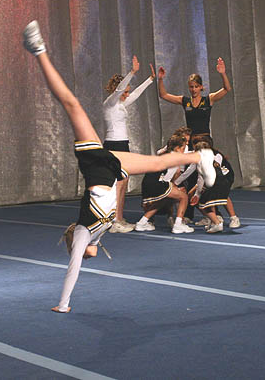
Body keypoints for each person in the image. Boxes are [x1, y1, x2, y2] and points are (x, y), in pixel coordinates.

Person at [22, 20, 216, 313]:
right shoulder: (96, 234)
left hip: (96, 163)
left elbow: (74, 266)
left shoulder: (84, 232)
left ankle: (38, 50)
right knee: (156, 162)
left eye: (81, 250)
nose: (86, 253)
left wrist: (64, 303)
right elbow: (87, 255)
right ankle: (200, 157)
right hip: (111, 163)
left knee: (72, 104)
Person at [103, 56, 155, 233]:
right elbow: (120, 90)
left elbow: (136, 94)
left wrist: (150, 79)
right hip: (113, 145)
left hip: (122, 145)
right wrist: (132, 72)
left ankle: (119, 217)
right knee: (119, 183)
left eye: (127, 91)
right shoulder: (110, 103)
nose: (127, 94)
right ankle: (114, 221)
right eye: (125, 91)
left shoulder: (120, 104)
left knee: (123, 182)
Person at [157, 58, 231, 146]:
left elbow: (227, 89)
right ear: (189, 87)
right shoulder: (185, 101)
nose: (194, 89)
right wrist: (160, 79)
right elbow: (163, 95)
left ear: (201, 87)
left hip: (205, 141)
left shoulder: (208, 99)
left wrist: (223, 73)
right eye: (191, 87)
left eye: (196, 86)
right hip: (191, 142)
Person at [135, 135, 194, 234]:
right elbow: (167, 179)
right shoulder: (174, 159)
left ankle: (142, 223)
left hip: (146, 183)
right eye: (183, 147)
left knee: (163, 200)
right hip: (158, 183)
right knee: (183, 197)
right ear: (177, 148)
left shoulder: (164, 154)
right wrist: (175, 188)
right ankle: (178, 225)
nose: (184, 150)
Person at [190, 138, 239, 233]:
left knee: (203, 204)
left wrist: (197, 194)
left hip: (216, 182)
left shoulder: (201, 161)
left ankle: (217, 223)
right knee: (210, 200)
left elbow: (200, 179)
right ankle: (214, 221)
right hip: (222, 182)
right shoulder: (212, 157)